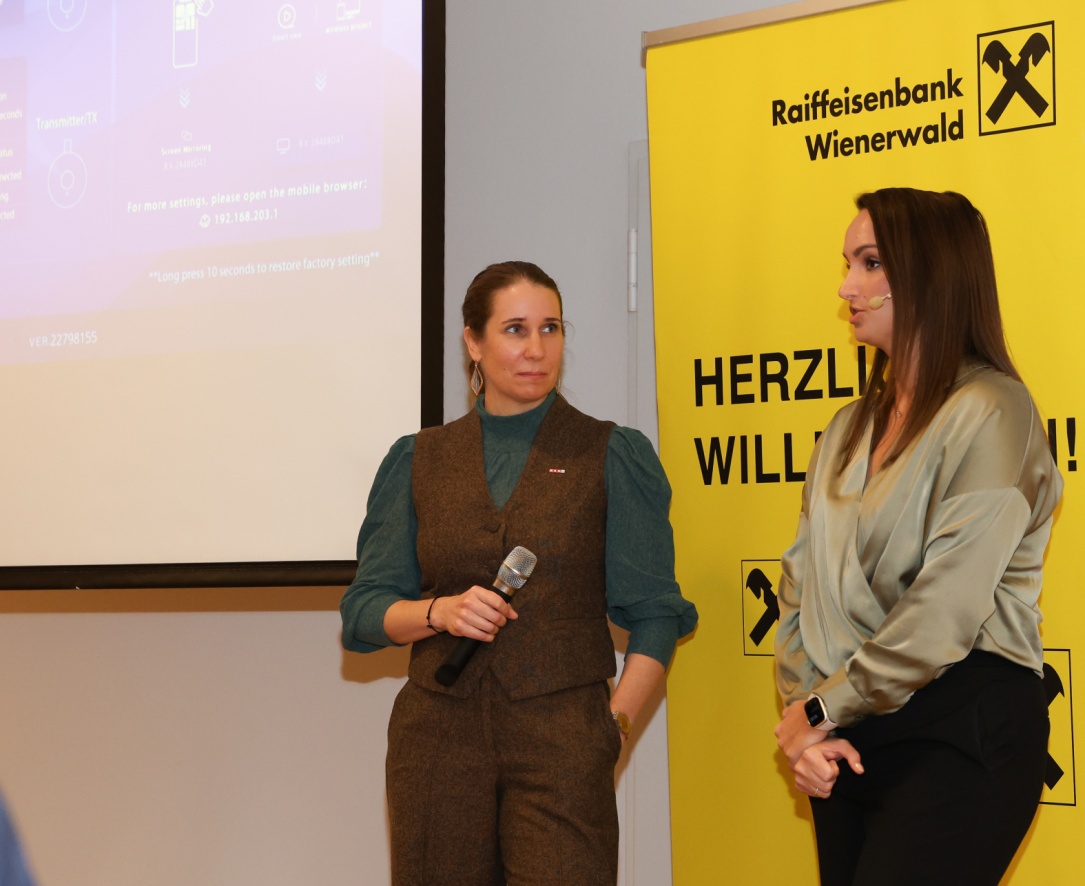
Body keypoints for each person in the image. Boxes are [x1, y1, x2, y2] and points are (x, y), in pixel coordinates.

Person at [340, 260, 698, 885]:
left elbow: (657, 613)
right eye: (515, 329)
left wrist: (611, 729)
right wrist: (439, 612)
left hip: (566, 745)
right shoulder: (417, 459)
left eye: (551, 328)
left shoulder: (613, 452)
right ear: (473, 342)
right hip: (437, 743)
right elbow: (365, 613)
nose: (537, 348)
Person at [772, 188, 1062, 885]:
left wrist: (821, 708)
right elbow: (800, 585)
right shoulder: (846, 428)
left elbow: (945, 607)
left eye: (870, 263)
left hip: (960, 729)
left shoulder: (993, 410)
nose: (846, 288)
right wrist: (805, 716)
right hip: (850, 738)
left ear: (932, 273)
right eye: (847, 263)